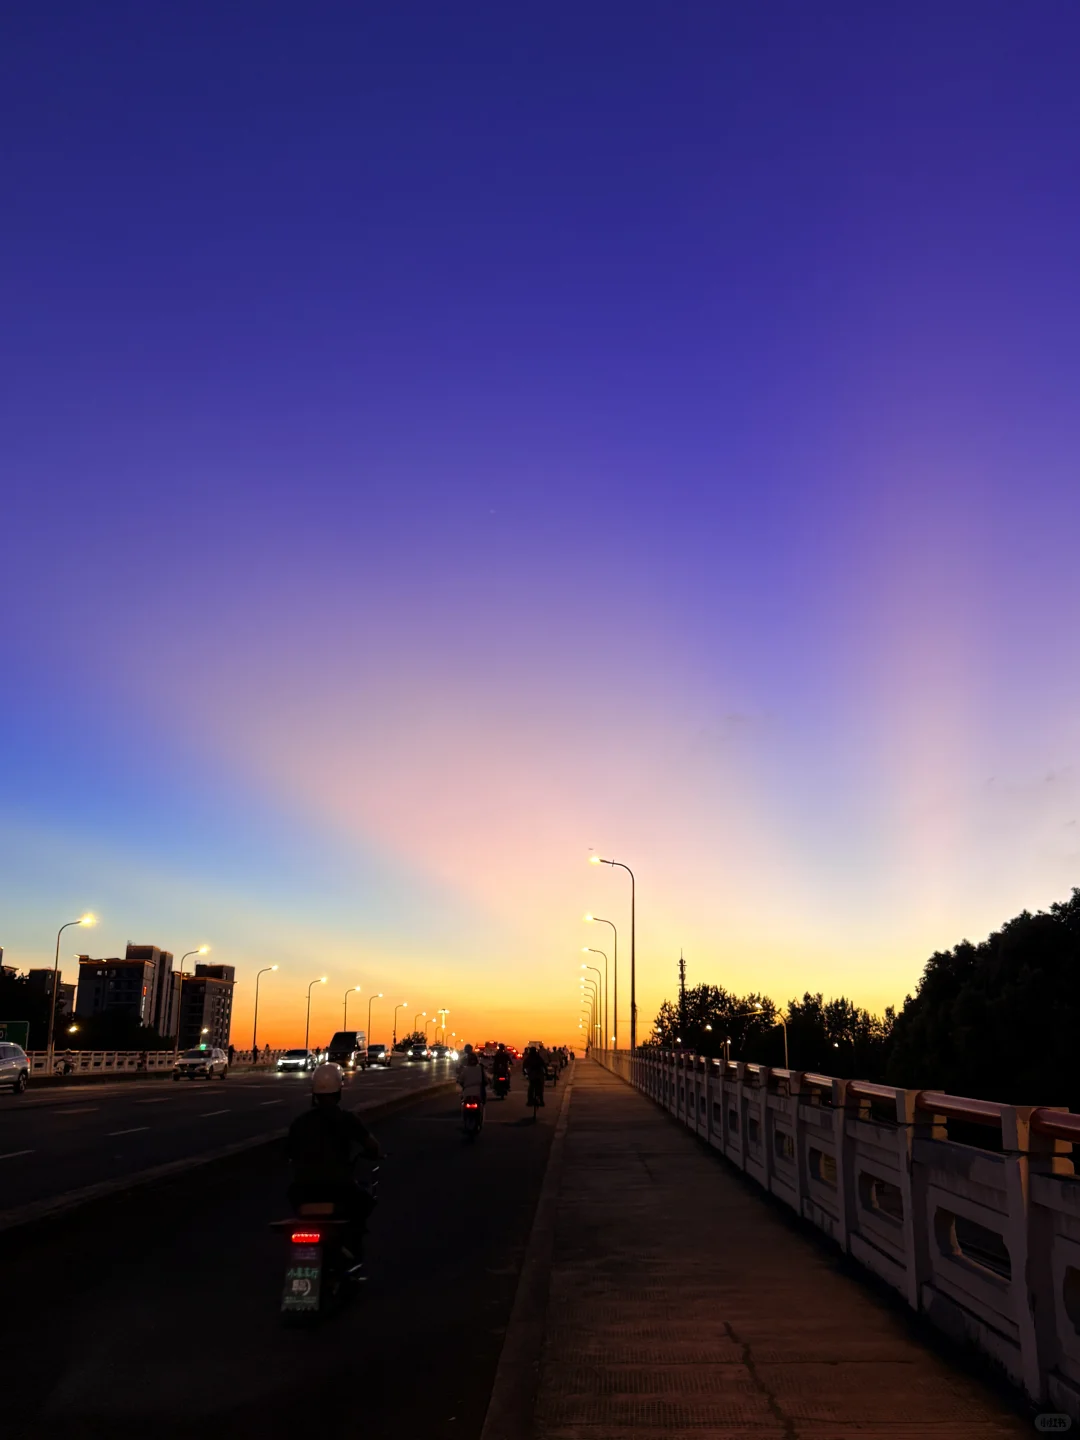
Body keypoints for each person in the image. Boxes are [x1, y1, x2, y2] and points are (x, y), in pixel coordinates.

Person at [287, 1062, 380, 1259]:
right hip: (338, 1188)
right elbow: (372, 1146)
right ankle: (352, 1253)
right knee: (365, 1202)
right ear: (339, 1091)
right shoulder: (347, 1119)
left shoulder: (299, 1123)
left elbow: (288, 1153)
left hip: (302, 1191)